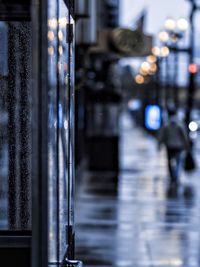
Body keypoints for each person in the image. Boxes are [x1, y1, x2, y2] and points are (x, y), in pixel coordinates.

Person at [158, 109, 190, 188]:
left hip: (169, 146)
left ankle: (172, 175)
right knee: (178, 161)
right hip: (178, 146)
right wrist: (187, 145)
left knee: (169, 161)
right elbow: (184, 136)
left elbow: (162, 136)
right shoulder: (179, 125)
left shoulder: (166, 125)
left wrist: (159, 144)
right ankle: (176, 176)